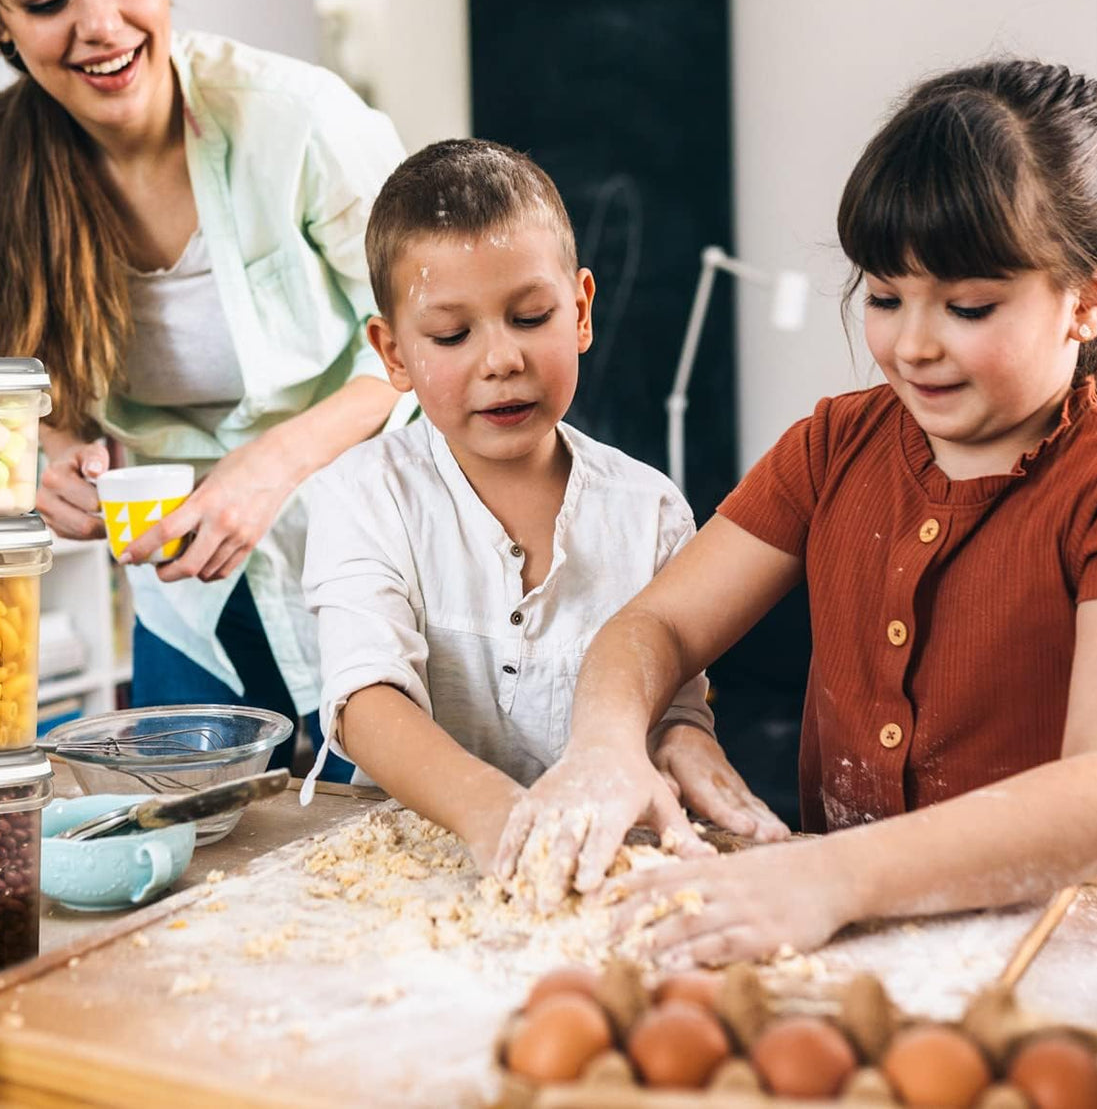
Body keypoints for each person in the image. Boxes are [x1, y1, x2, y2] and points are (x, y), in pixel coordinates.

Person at [496, 59, 1097, 956]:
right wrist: (609, 743)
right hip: (852, 931)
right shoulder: (834, 444)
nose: (913, 344)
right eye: (884, 297)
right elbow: (655, 626)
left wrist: (828, 876)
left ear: (1089, 297)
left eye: (966, 306)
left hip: (1070, 947)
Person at [0, 0, 412, 775]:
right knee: (189, 851)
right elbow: (35, 387)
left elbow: (424, 344)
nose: (100, 24)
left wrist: (270, 467)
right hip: (182, 594)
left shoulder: (292, 119)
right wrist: (52, 454)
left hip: (361, 551)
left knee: (385, 840)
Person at [297, 139, 787, 869]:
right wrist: (499, 816)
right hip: (417, 869)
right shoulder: (359, 496)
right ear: (393, 352)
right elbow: (365, 702)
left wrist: (687, 741)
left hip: (609, 858)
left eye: (530, 317)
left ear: (580, 312)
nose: (502, 360)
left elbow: (673, 700)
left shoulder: (647, 508)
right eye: (451, 334)